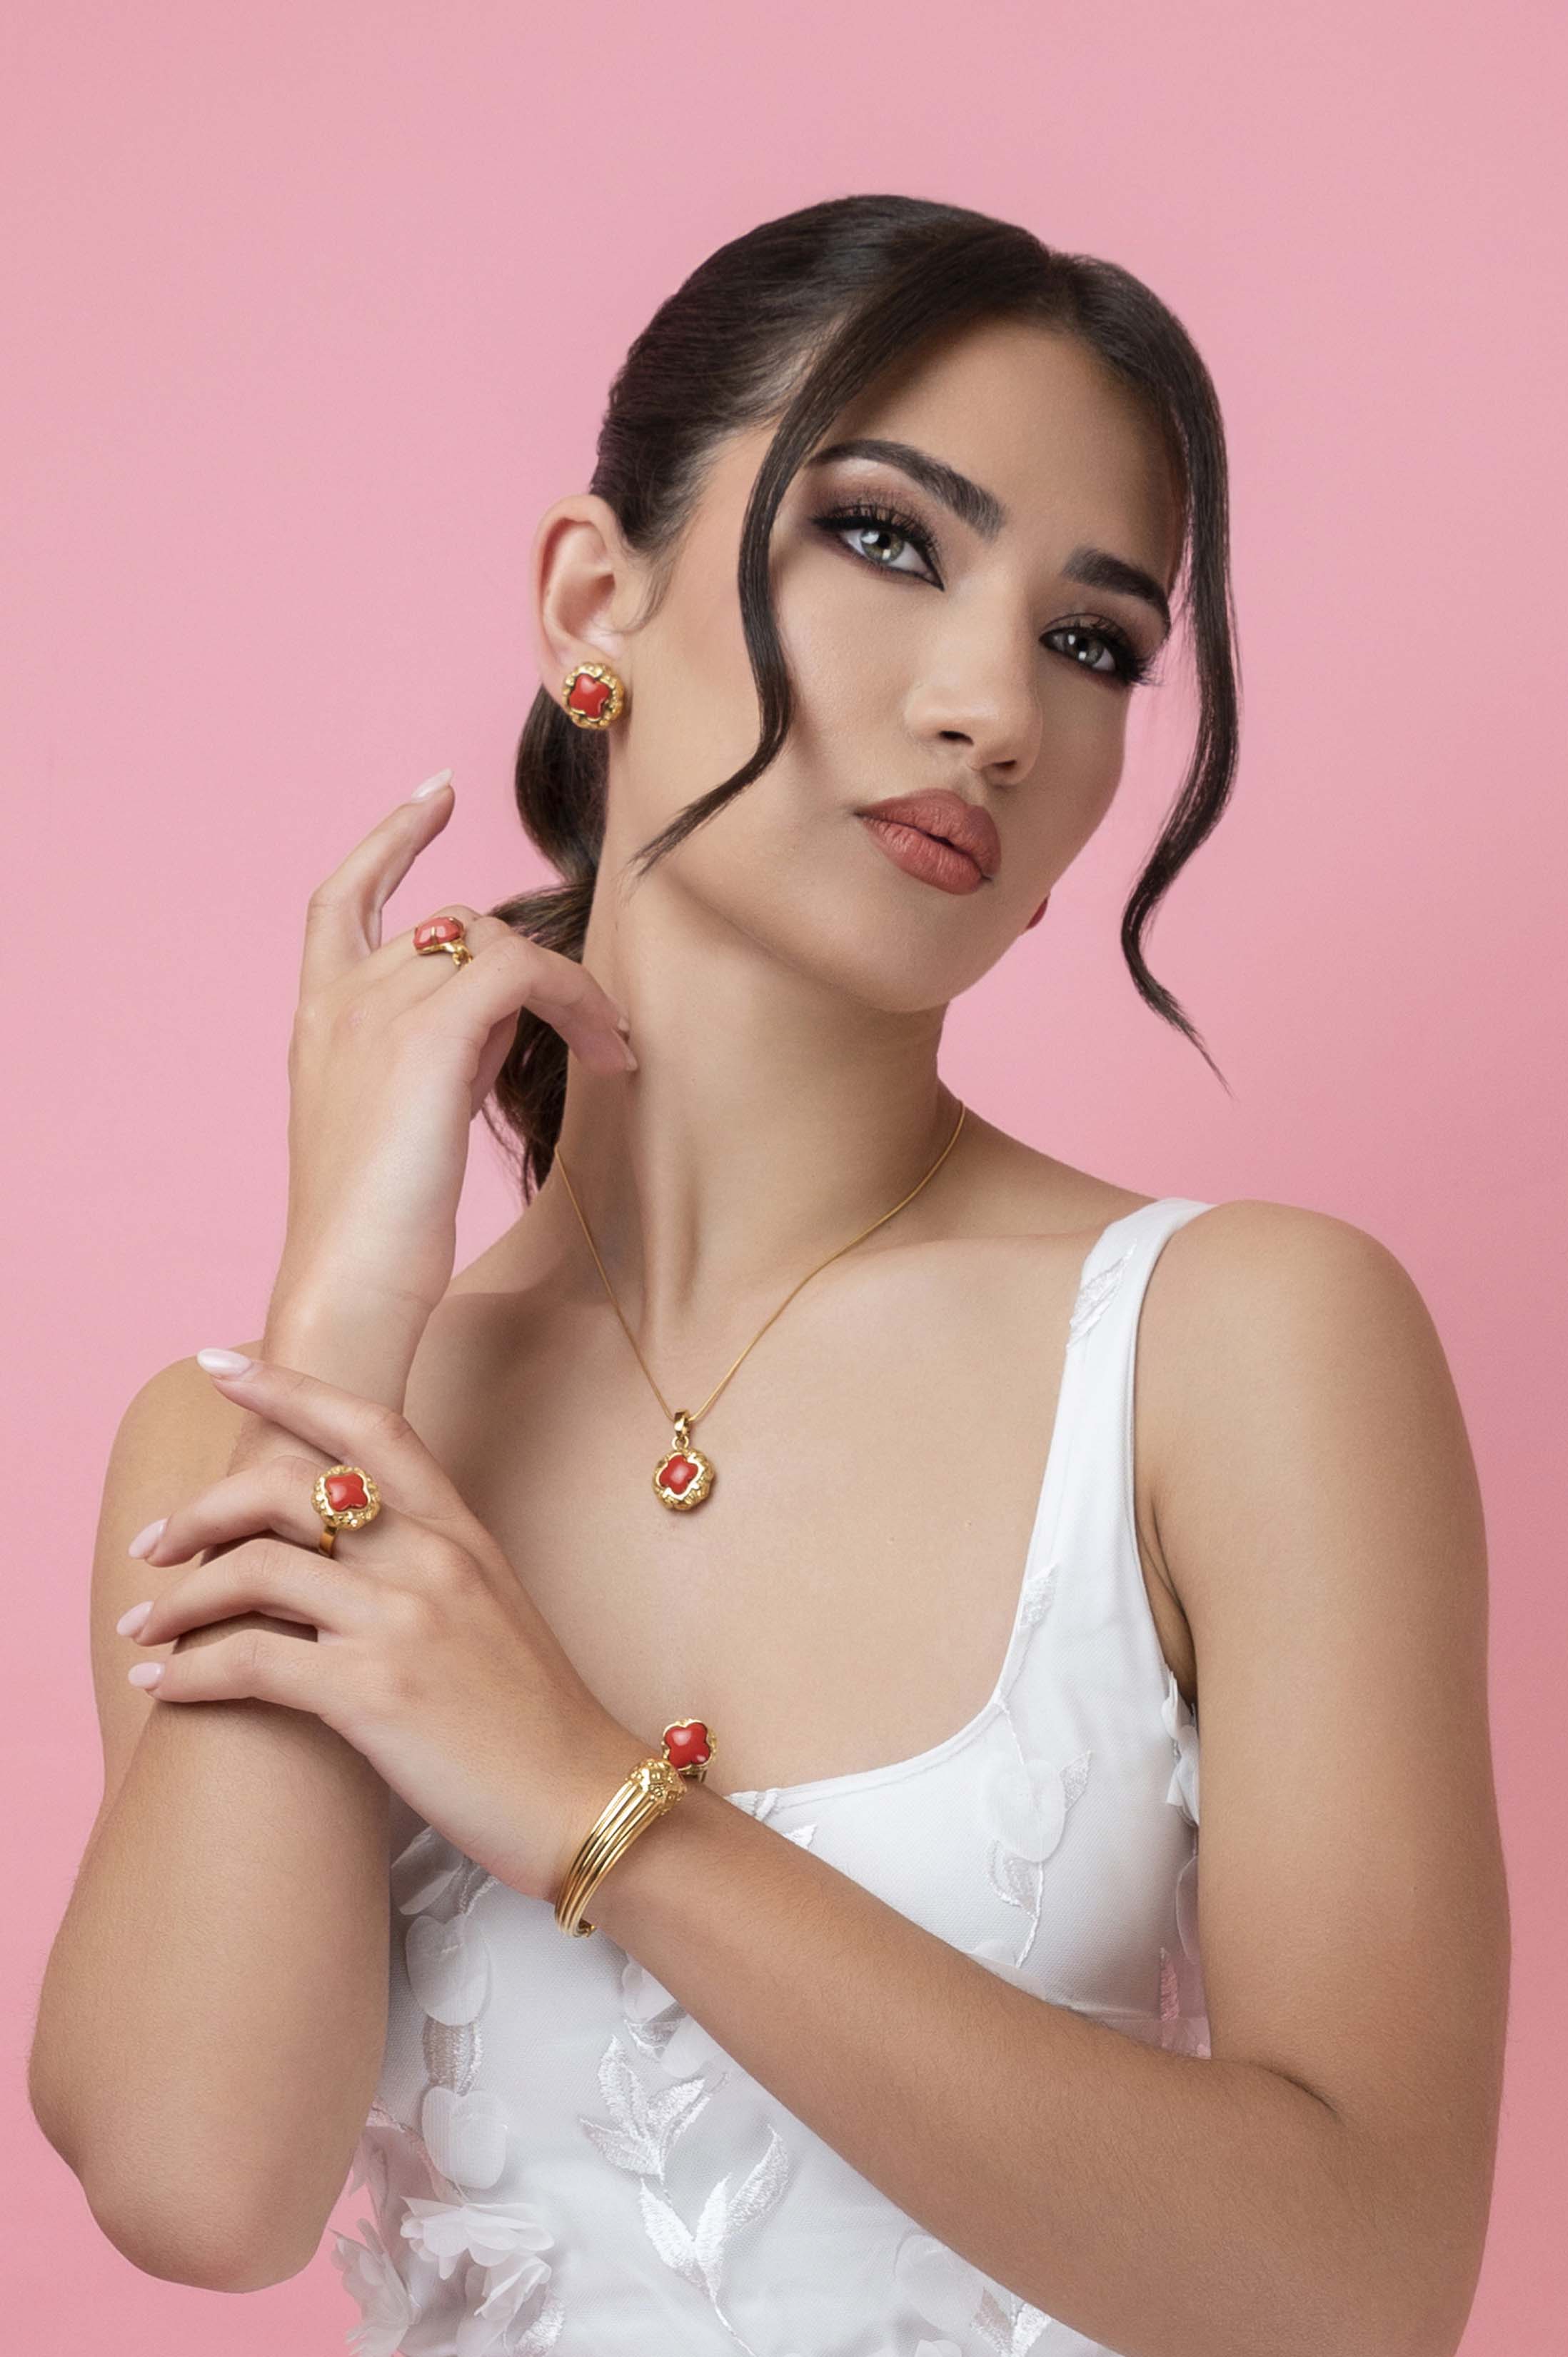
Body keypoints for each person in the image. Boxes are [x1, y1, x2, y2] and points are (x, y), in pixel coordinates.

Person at [29, 195, 1507, 2357]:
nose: (995, 709)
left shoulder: (1241, 1347)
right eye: (889, 539)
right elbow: (195, 2183)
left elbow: (1363, 2287)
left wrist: (591, 1800)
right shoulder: (245, 1440)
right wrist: (342, 1313)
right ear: (591, 603)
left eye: (1092, 643)